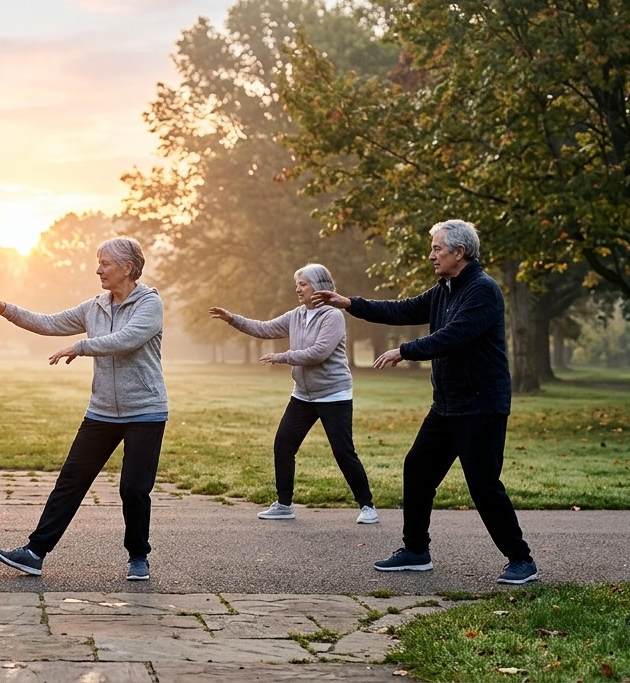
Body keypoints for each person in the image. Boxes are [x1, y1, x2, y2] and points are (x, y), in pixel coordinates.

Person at [309, 219, 538, 585]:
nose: (431, 255)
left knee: (483, 484)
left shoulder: (482, 290)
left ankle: (521, 559)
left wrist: (405, 350)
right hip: (447, 405)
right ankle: (416, 550)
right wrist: (349, 303)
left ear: (459, 253)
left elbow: (453, 337)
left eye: (437, 249)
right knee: (417, 469)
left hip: (481, 405)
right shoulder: (444, 290)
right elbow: (401, 310)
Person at [0, 236, 167, 582]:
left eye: (105, 263)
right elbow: (49, 323)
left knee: (134, 489)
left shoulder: (149, 305)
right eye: (98, 262)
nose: (98, 269)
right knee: (70, 482)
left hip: (145, 411)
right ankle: (34, 553)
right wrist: (6, 308)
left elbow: (128, 340)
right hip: (102, 411)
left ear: (127, 267)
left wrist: (81, 346)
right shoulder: (94, 307)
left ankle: (138, 556)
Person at [210, 263, 377, 525]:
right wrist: (233, 319)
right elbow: (265, 329)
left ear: (319, 286)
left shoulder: (332, 316)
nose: (297, 289)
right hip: (303, 395)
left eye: (303, 284)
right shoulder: (297, 315)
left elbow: (319, 352)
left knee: (343, 451)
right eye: (297, 284)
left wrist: (283, 357)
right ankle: (284, 504)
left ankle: (367, 505)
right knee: (283, 445)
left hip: (333, 394)